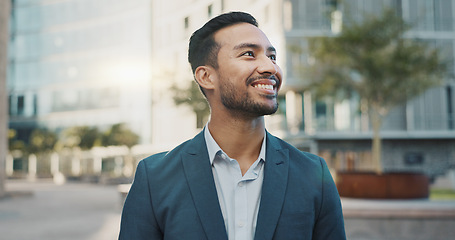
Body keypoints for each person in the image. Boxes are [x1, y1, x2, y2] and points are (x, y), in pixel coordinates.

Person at [119, 11, 346, 240]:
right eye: (249, 54)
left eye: (272, 56)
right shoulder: (155, 178)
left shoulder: (313, 174)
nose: (270, 67)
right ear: (206, 77)